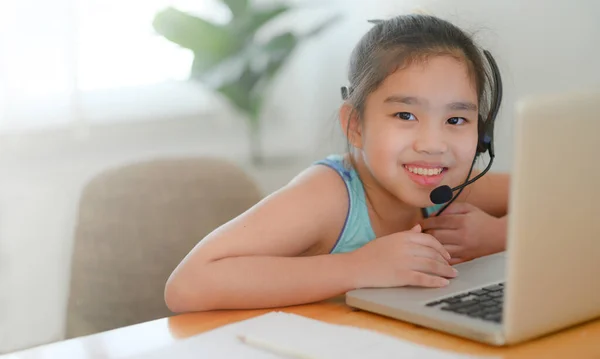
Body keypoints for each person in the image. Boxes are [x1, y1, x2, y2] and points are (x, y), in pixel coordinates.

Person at [164, 14, 510, 313]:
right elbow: (188, 284)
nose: (433, 145)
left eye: (456, 120)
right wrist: (360, 267)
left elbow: (557, 192)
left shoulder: (450, 187)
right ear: (355, 126)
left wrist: (498, 234)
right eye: (405, 114)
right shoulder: (328, 197)